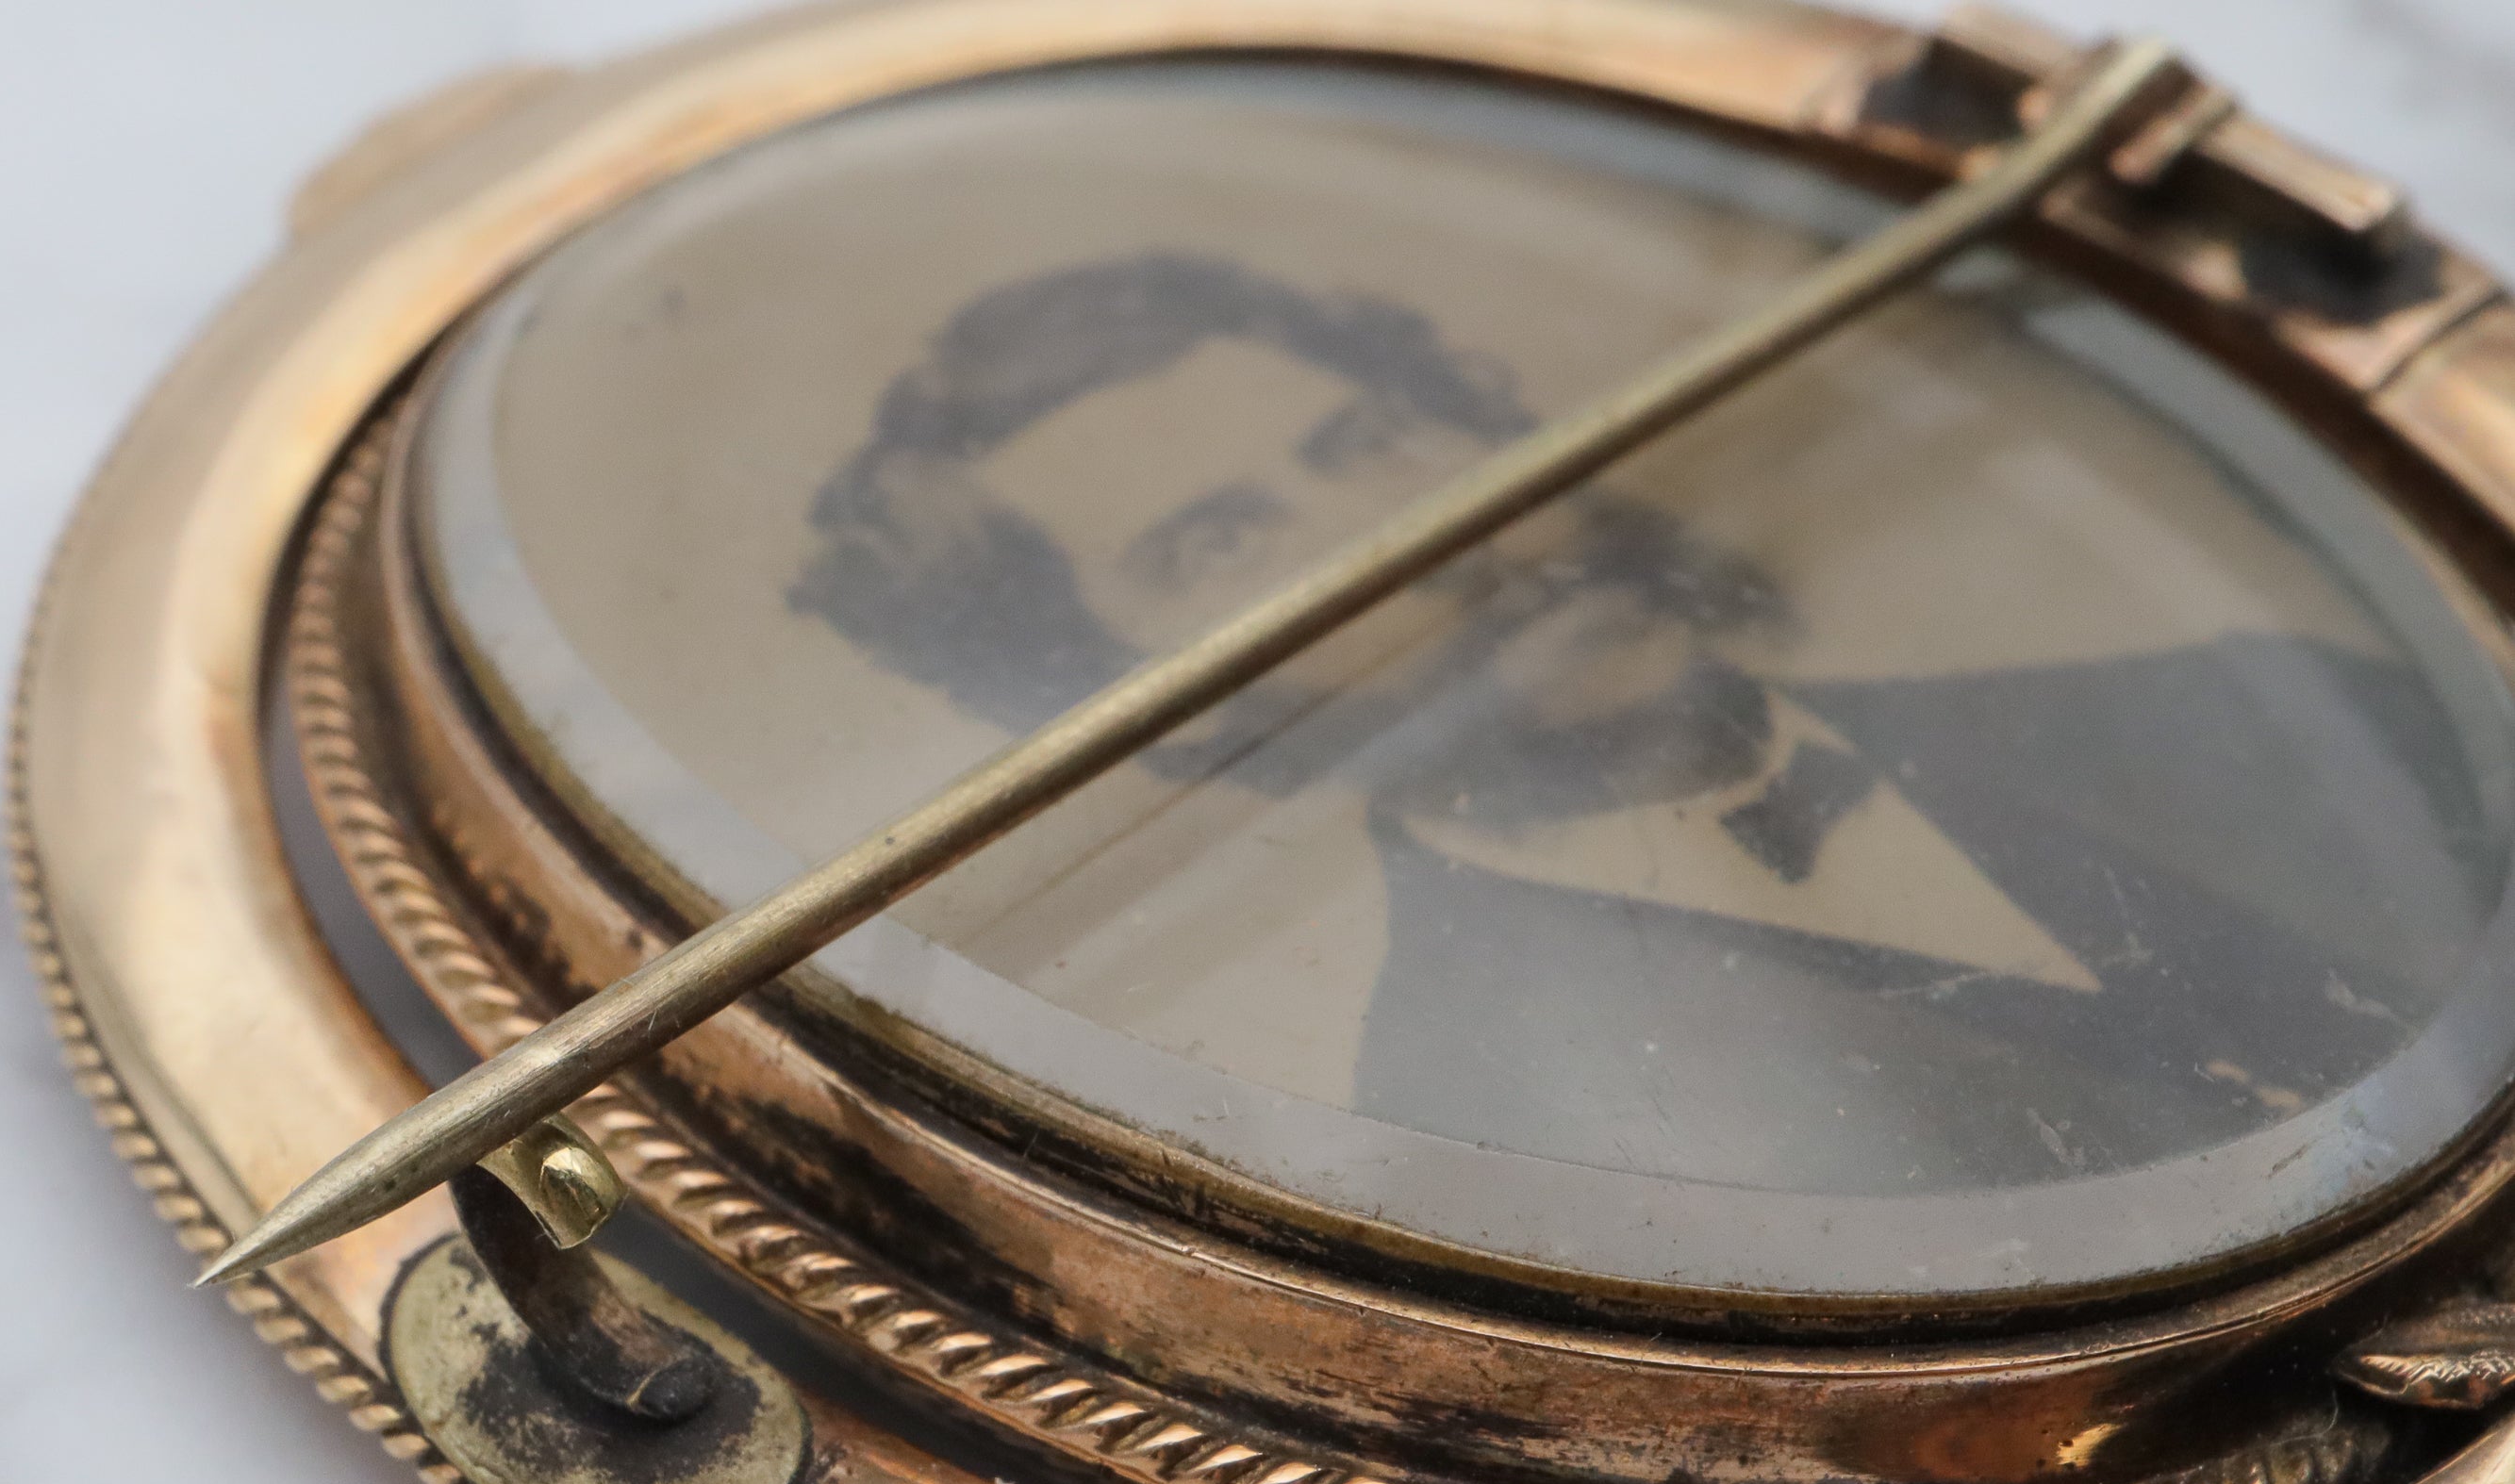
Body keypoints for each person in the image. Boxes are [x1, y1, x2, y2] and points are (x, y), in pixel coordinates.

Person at [791, 248, 2452, 1195]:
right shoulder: (1472, 1125)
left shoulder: (2289, 722)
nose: (1419, 531)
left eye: (1372, 434)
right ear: (1130, 707)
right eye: (1224, 543)